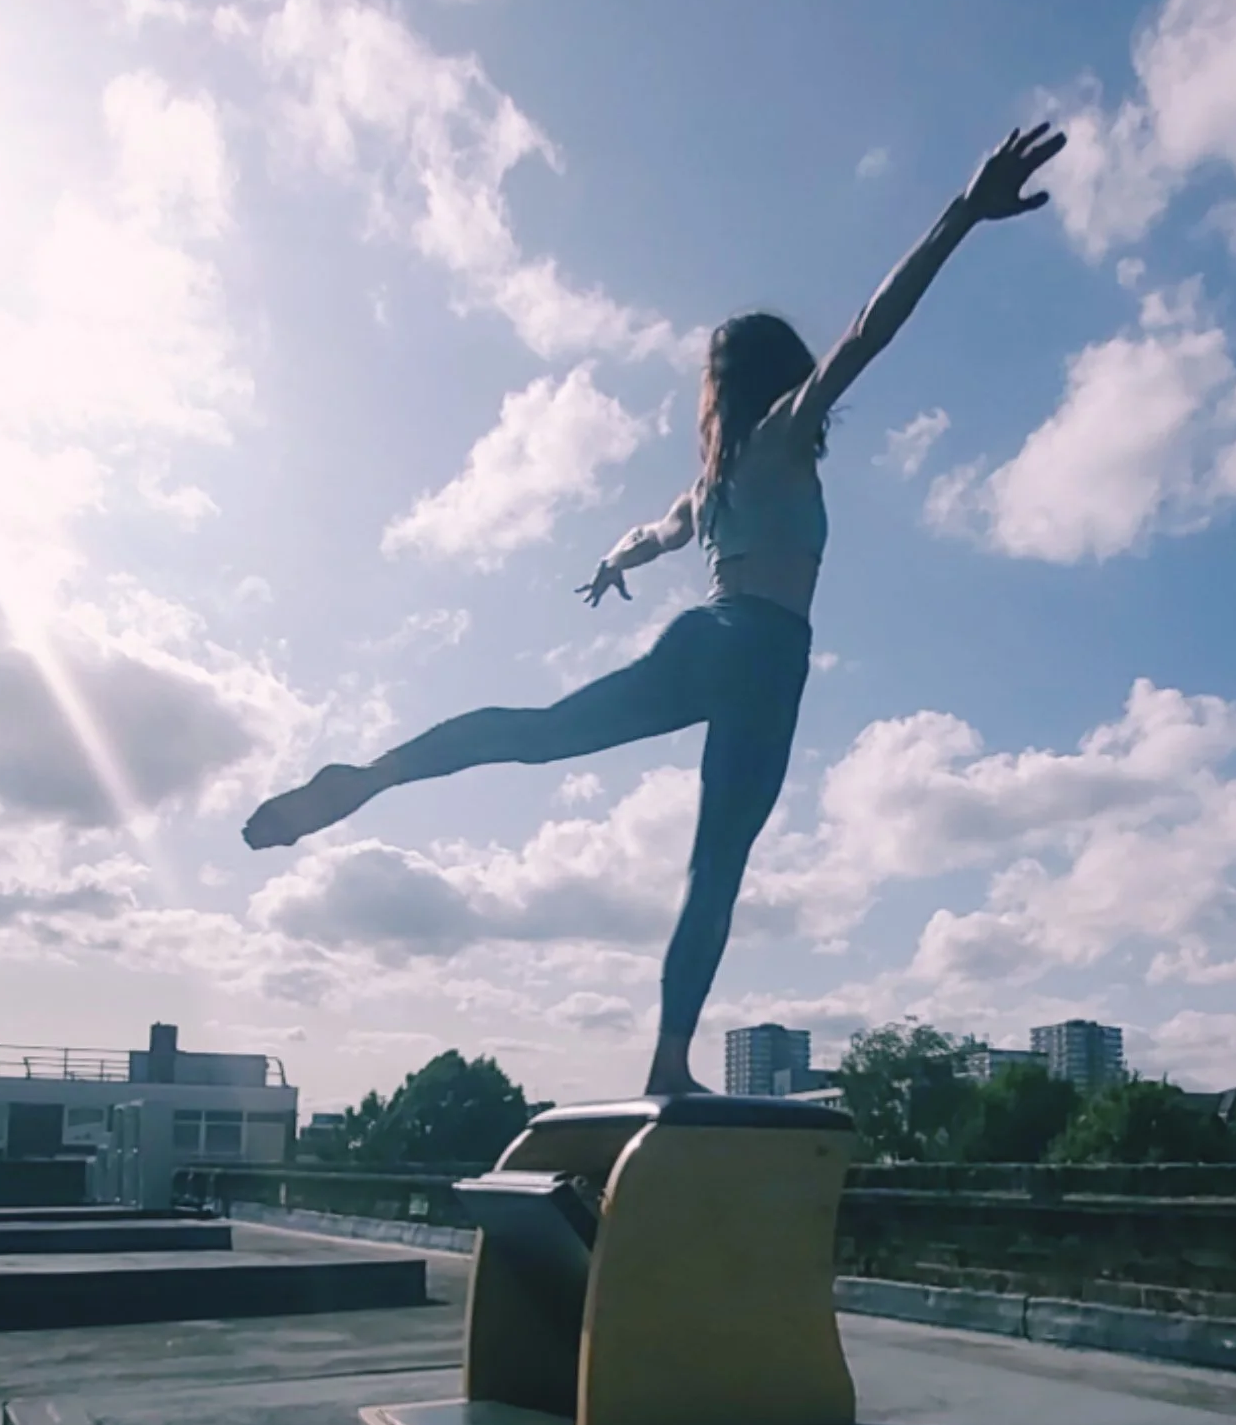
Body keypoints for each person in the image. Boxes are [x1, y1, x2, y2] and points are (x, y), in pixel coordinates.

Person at [244, 123, 1067, 1096]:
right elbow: (867, 333)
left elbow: (653, 531)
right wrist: (962, 214)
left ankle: (377, 774)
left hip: (700, 635)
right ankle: (669, 1061)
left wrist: (610, 560)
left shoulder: (709, 486)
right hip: (765, 653)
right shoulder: (783, 431)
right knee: (715, 866)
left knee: (538, 732)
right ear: (780, 375)